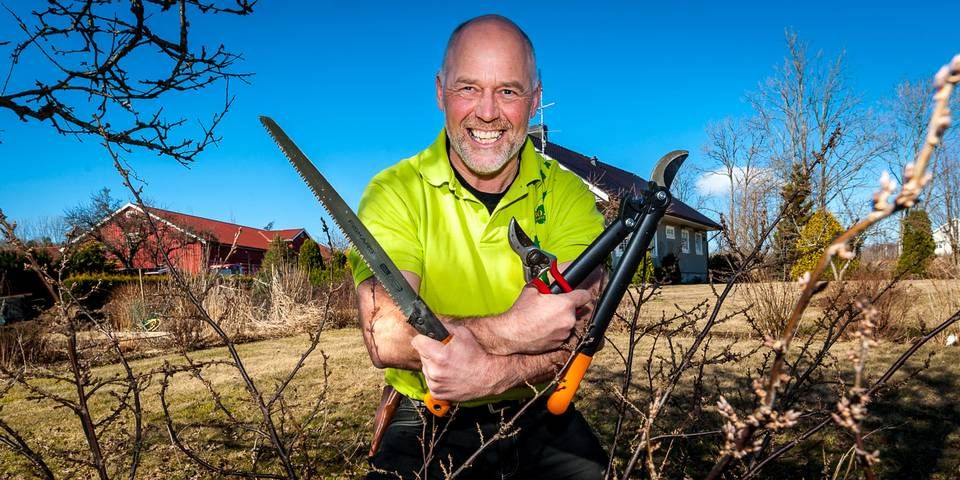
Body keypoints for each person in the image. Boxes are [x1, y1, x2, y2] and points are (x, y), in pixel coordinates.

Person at [348, 14, 608, 479]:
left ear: (535, 100)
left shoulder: (568, 194)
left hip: (536, 404)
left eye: (508, 91)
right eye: (468, 88)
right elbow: (384, 333)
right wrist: (511, 330)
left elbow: (579, 327)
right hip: (425, 409)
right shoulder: (393, 192)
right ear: (440, 91)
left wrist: (489, 374)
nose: (487, 112)